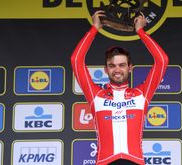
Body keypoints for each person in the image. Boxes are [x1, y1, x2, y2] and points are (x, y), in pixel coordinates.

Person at [71, 10, 168, 165]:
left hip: (134, 160)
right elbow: (76, 60)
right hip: (105, 161)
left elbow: (162, 60)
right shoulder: (96, 95)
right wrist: (94, 28)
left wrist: (141, 32)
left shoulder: (141, 94)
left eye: (122, 65)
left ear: (130, 68)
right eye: (112, 65)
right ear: (106, 69)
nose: (117, 69)